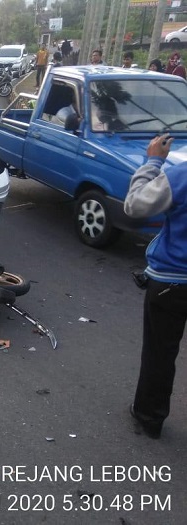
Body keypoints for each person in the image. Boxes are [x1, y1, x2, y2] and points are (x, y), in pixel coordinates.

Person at [124, 133, 187, 439]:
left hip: (172, 282)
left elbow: (135, 206)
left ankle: (149, 417)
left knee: (160, 354)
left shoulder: (181, 176)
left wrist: (153, 161)